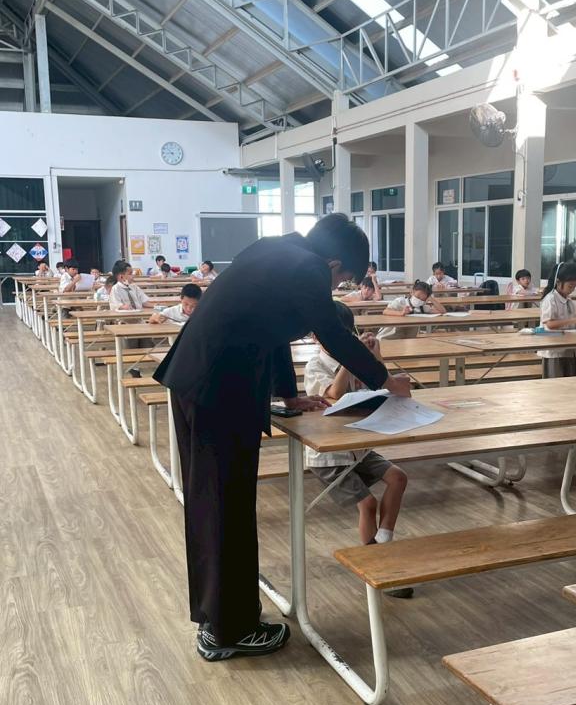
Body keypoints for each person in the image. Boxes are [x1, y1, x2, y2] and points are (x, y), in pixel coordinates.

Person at [153, 213, 410, 662]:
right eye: (342, 280)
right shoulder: (308, 268)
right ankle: (229, 630)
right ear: (334, 264)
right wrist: (385, 380)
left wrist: (287, 395)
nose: (336, 288)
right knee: (225, 505)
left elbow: (270, 332)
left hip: (202, 380)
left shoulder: (276, 250)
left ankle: (218, 619)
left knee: (213, 503)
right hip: (220, 387)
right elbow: (333, 334)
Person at [305, 303, 411, 598]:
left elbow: (385, 387)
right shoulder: (315, 366)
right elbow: (334, 394)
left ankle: (383, 542)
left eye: (347, 336)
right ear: (317, 337)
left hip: (357, 447)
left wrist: (375, 356)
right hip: (328, 454)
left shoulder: (358, 359)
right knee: (368, 504)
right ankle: (375, 569)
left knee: (398, 477)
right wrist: (350, 358)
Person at [539, 260, 576, 377]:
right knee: (556, 380)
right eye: (570, 286)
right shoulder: (550, 299)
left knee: (573, 379)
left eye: (575, 286)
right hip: (554, 349)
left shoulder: (569, 301)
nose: (572, 289)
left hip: (569, 346)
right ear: (558, 282)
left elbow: (570, 323)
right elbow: (549, 324)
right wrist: (573, 321)